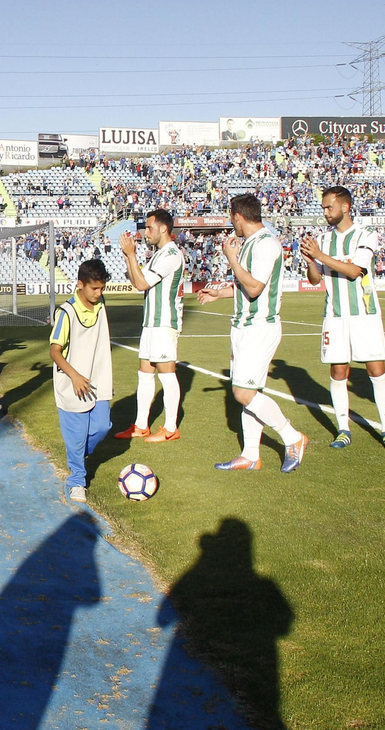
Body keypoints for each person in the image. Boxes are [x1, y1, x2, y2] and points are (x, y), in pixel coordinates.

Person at [197, 194, 310, 472]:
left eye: (230, 216)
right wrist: (218, 294)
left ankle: (293, 438)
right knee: (251, 390)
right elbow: (243, 286)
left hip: (260, 327)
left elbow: (256, 287)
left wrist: (232, 259)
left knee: (243, 392)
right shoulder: (250, 244)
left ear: (238, 216)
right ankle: (250, 455)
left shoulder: (266, 244)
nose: (230, 222)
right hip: (243, 326)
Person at [299, 186, 385, 452]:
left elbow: (356, 271)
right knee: (338, 371)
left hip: (364, 315)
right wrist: (310, 260)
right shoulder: (324, 239)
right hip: (335, 315)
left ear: (344, 206)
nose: (325, 212)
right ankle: (343, 428)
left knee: (376, 371)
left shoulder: (366, 235)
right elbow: (315, 279)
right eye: (323, 207)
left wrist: (319, 255)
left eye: (328, 207)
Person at [115, 210, 186, 443]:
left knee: (167, 374)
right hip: (150, 323)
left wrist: (132, 255)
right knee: (145, 374)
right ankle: (141, 425)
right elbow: (137, 282)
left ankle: (170, 428)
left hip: (164, 323)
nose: (146, 232)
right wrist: (128, 257)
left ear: (163, 228)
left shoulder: (172, 254)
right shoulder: (158, 254)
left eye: (149, 228)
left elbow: (143, 283)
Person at [50, 259, 113, 503]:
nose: (99, 294)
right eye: (94, 289)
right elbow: (54, 351)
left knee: (102, 427)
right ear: (80, 285)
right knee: (77, 436)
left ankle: (75, 454)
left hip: (98, 380)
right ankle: (77, 480)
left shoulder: (101, 303)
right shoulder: (66, 312)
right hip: (72, 383)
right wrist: (74, 376)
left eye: (101, 288)